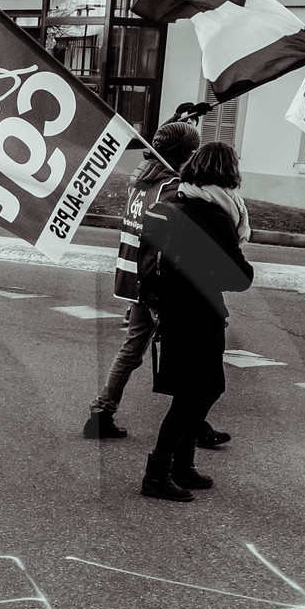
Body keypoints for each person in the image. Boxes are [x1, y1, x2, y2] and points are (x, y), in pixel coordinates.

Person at [138, 140, 253, 501]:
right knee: (196, 394)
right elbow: (240, 277)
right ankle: (158, 473)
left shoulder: (173, 204)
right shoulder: (215, 216)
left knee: (197, 390)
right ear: (228, 173)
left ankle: (182, 465)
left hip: (173, 310)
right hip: (199, 314)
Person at [84, 116, 203, 439]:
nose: (196, 156)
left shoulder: (141, 180)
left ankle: (102, 412)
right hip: (156, 282)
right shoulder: (171, 189)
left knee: (133, 347)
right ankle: (194, 422)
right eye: (194, 151)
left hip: (135, 275)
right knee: (189, 350)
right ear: (184, 154)